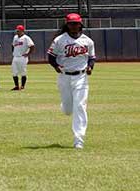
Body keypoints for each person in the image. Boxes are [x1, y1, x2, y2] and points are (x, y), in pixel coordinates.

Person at [47, 13, 96, 149]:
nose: (74, 26)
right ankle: (66, 106)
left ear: (80, 24)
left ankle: (78, 139)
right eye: (71, 23)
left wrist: (90, 66)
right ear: (67, 25)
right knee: (68, 110)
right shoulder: (59, 40)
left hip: (81, 77)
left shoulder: (88, 41)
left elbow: (92, 58)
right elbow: (50, 56)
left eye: (76, 23)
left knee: (80, 106)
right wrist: (56, 66)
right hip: (64, 76)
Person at [11, 25, 35, 90]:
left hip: (22, 57)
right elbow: (13, 45)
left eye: (18, 30)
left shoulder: (26, 38)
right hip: (15, 56)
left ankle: (22, 86)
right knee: (14, 72)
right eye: (17, 30)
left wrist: (28, 53)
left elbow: (32, 46)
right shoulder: (15, 37)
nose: (17, 31)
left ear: (22, 31)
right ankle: (16, 86)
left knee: (23, 72)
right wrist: (13, 52)